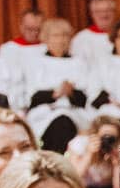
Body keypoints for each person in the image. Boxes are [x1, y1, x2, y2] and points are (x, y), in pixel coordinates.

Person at [17, 16, 95, 151]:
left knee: (65, 121)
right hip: (44, 113)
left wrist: (70, 92)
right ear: (46, 38)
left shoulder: (79, 62)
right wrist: (56, 93)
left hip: (74, 112)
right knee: (59, 124)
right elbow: (32, 97)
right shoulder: (36, 62)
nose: (61, 40)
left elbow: (85, 96)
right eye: (56, 36)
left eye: (65, 35)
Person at [72, 0, 120, 66]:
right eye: (98, 11)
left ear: (114, 12)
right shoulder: (81, 38)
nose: (104, 15)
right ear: (92, 14)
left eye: (108, 10)